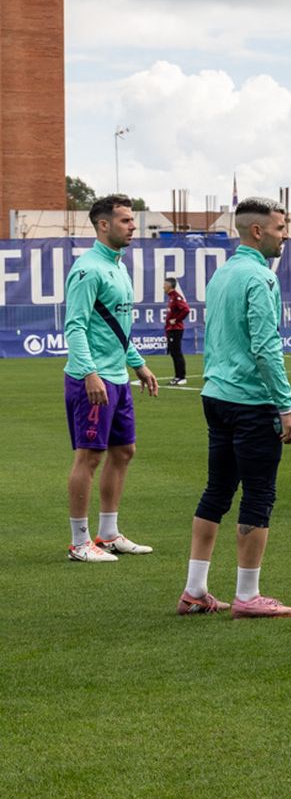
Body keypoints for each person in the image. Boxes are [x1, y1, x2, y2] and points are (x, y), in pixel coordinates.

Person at [178, 197, 291, 617]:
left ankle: (195, 589)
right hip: (251, 401)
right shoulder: (260, 279)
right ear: (258, 231)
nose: (285, 235)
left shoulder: (222, 275)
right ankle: (247, 597)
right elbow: (266, 348)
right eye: (281, 228)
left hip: (215, 396)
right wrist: (286, 405)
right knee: (259, 495)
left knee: (217, 491)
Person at [63, 194, 161, 562]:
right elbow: (75, 326)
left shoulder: (118, 267)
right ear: (103, 225)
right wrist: (89, 372)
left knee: (124, 451)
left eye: (132, 220)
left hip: (117, 377)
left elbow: (116, 328)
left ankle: (107, 534)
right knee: (89, 457)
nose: (133, 226)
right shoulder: (88, 269)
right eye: (125, 220)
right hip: (92, 379)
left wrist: (138, 364)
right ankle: (79, 542)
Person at [163, 276, 190, 385]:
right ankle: (177, 376)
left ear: (169, 286)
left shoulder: (176, 297)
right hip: (171, 329)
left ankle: (181, 377)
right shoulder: (171, 297)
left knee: (177, 353)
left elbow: (186, 309)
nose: (163, 287)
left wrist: (176, 320)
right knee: (174, 353)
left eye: (164, 285)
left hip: (176, 330)